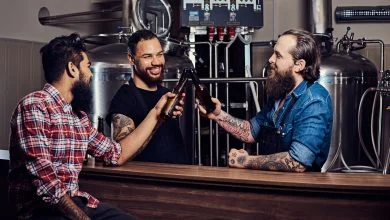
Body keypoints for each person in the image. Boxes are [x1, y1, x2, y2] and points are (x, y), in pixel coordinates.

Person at [8, 33, 183, 219]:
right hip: (42, 212)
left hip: (75, 203)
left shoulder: (78, 117)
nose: (91, 75)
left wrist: (157, 112)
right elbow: (48, 186)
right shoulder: (35, 106)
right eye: (88, 67)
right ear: (72, 70)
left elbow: (116, 154)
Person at [198, 29, 333, 172]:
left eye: (278, 55)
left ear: (299, 65)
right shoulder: (280, 93)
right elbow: (251, 131)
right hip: (272, 184)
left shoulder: (314, 101)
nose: (270, 59)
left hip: (299, 190)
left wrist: (246, 161)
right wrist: (218, 115)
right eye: (273, 52)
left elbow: (298, 161)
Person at [106, 29, 190, 164]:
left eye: (159, 54)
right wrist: (157, 115)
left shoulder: (165, 94)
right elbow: (119, 154)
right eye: (147, 56)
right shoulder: (124, 98)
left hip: (178, 177)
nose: (156, 62)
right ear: (131, 59)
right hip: (149, 181)